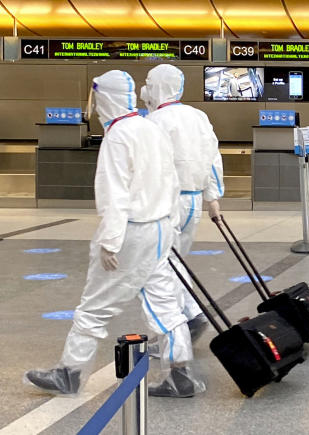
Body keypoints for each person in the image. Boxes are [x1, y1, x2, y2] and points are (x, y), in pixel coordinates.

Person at [24, 71, 203, 398]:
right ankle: (180, 374)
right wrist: (172, 224)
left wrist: (109, 241)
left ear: (103, 98)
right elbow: (172, 181)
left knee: (95, 305)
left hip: (132, 233)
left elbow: (114, 195)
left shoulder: (119, 136)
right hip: (162, 229)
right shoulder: (152, 127)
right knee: (165, 303)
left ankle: (70, 372)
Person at [141, 64, 224, 341]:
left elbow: (145, 167)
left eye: (149, 83)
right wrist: (213, 197)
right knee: (176, 262)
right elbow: (213, 157)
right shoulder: (197, 116)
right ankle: (190, 314)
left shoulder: (154, 122)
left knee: (160, 265)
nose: (146, 89)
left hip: (166, 203)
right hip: (193, 202)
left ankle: (179, 325)